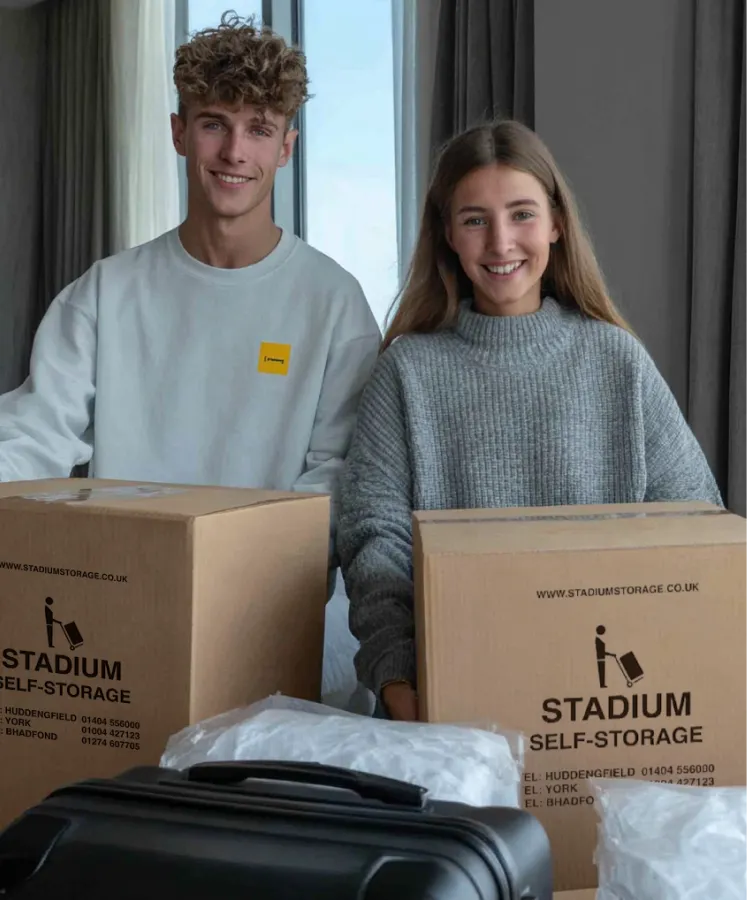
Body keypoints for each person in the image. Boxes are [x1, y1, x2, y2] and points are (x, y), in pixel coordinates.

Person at [337, 119, 722, 722]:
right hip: (448, 698)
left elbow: (695, 523)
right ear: (447, 236)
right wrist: (396, 674)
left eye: (521, 214)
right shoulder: (407, 371)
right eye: (474, 220)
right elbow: (373, 538)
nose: (500, 242)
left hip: (605, 703)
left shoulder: (617, 361)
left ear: (556, 223)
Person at [0, 14, 380, 572]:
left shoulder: (335, 304)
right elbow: (33, 437)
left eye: (259, 129)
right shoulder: (106, 294)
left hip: (268, 603)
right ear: (179, 133)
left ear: (285, 148)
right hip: (123, 589)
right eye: (214, 124)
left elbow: (335, 477)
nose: (234, 152)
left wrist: (243, 570)